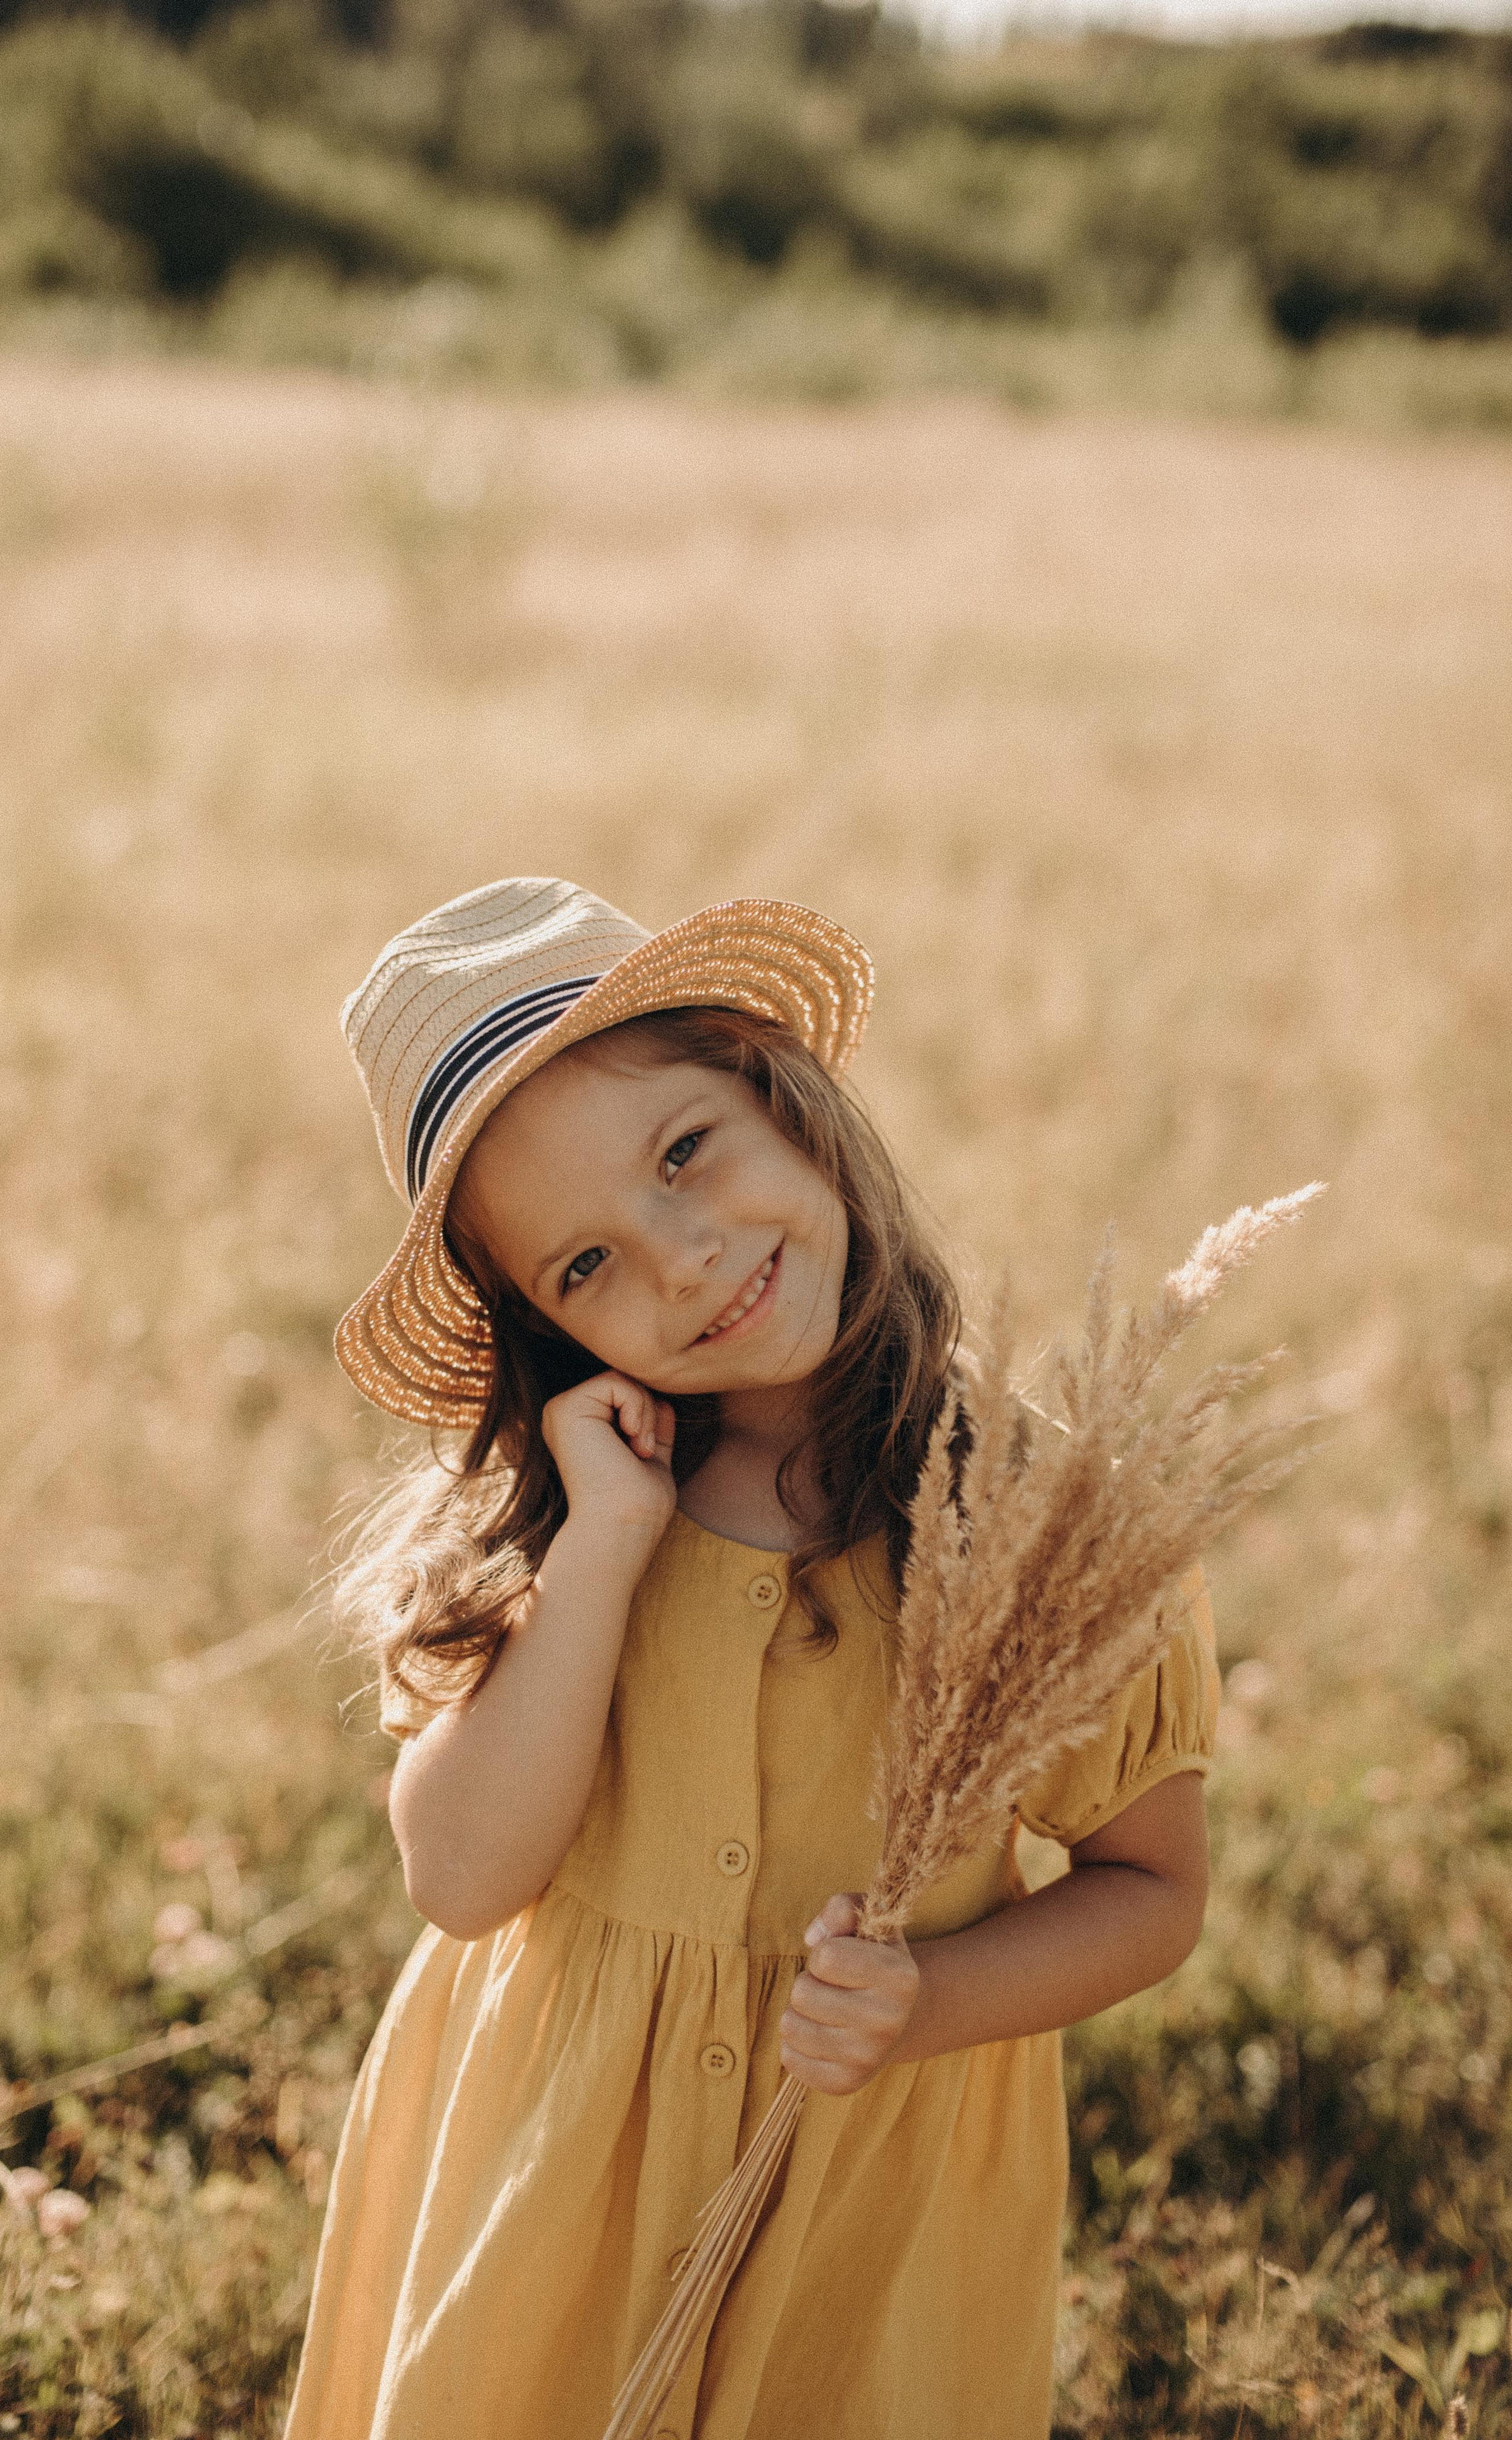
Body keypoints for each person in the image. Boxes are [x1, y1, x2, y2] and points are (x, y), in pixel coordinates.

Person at [283, 878, 1218, 2440]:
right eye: (584, 1267)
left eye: (682, 1153)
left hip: (868, 2211)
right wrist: (597, 1556)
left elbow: (1152, 1891)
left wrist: (923, 2000)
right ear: (541, 1328)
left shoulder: (1040, 1526)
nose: (685, 1263)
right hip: (556, 2195)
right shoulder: (552, 1529)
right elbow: (456, 1877)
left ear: (777, 1092)